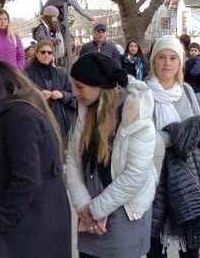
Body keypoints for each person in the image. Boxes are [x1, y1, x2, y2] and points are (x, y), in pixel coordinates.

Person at [0, 60, 71, 258]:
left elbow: (26, 179)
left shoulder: (19, 117)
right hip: (28, 230)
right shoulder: (21, 113)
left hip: (23, 235)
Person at [65, 52, 157, 258]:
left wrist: (95, 210)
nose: (74, 92)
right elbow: (72, 161)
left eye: (80, 87)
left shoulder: (137, 115)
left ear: (101, 87)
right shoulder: (85, 110)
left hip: (124, 214)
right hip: (90, 214)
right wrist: (82, 205)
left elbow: (135, 175)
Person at [145, 35, 200, 258]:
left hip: (188, 176)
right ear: (153, 61)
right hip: (156, 176)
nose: (167, 63)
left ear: (180, 62)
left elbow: (198, 132)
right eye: (162, 57)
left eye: (173, 58)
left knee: (191, 246)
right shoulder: (142, 93)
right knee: (155, 244)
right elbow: (141, 139)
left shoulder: (187, 92)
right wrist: (179, 133)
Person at [23, 40, 77, 139]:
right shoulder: (26, 74)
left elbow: (72, 94)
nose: (46, 55)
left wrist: (62, 95)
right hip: (36, 121)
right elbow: (21, 96)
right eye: (43, 52)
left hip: (57, 121)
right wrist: (38, 95)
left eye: (49, 52)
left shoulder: (60, 74)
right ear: (37, 54)